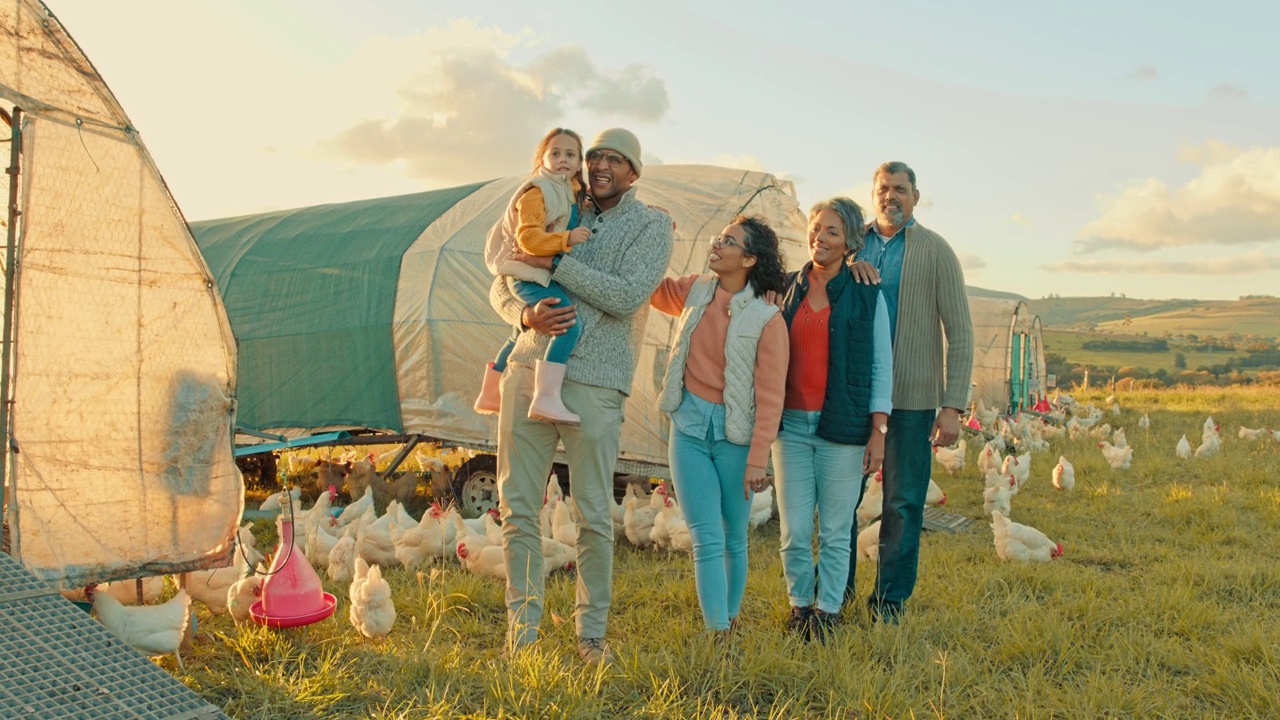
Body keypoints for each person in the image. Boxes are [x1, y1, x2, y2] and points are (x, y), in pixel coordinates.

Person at [487, 128, 673, 665]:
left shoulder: (651, 224)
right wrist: (524, 314)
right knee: (518, 506)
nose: (599, 166)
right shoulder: (553, 198)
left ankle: (590, 635)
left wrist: (555, 262)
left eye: (614, 160)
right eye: (594, 157)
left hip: (595, 380)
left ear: (633, 172)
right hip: (528, 365)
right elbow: (503, 273)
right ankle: (520, 636)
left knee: (592, 513)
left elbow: (626, 296)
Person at [649, 216, 789, 637]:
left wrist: (757, 460)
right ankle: (718, 631)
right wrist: (656, 233)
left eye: (728, 241)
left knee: (734, 537)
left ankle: (728, 619)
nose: (717, 244)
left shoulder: (768, 318)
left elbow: (770, 398)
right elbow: (650, 286)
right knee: (707, 537)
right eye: (719, 237)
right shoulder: (694, 290)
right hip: (688, 428)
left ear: (748, 258)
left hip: (737, 440)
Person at [847, 162, 973, 623]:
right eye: (884, 189)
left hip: (913, 400)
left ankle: (889, 604)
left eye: (901, 189)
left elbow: (960, 331)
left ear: (916, 197)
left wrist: (953, 405)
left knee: (902, 503)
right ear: (873, 194)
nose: (891, 196)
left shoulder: (936, 252)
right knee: (842, 501)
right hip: (853, 395)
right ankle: (833, 602)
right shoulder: (849, 244)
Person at [773, 197, 893, 642]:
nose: (819, 239)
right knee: (795, 529)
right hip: (790, 427)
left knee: (838, 529)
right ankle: (800, 605)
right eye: (816, 229)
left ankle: (828, 613)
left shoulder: (866, 293)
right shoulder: (785, 288)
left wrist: (877, 431)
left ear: (850, 245)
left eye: (832, 233)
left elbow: (881, 365)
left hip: (841, 428)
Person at [476, 128, 591, 424]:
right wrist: (566, 239)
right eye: (555, 153)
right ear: (542, 158)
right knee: (569, 323)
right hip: (526, 273)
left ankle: (490, 393)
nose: (562, 159)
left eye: (570, 154)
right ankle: (546, 397)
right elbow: (528, 239)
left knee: (519, 332)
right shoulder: (536, 191)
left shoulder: (569, 190)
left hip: (531, 271)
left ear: (579, 163)